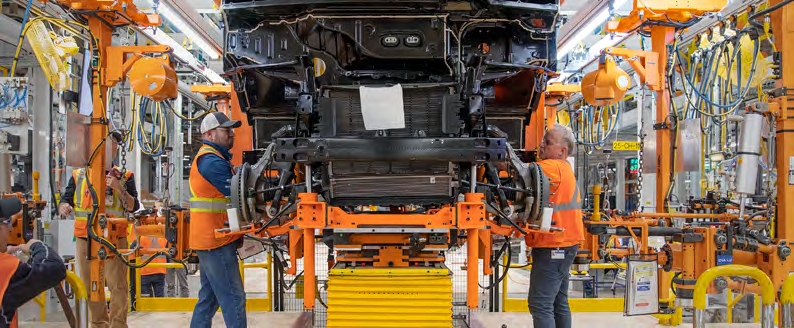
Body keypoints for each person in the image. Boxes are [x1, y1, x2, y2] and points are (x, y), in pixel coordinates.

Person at [58, 131, 140, 328]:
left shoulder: (125, 176)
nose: (111, 149)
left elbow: (133, 206)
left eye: (114, 145)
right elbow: (66, 199)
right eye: (107, 144)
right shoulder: (79, 175)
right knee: (90, 285)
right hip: (85, 237)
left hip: (114, 237)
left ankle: (118, 325)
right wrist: (63, 206)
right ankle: (98, 324)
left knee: (118, 285)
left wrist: (119, 188)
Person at [189, 112, 246, 328]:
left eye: (231, 130)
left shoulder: (216, 158)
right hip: (216, 241)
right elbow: (238, 193)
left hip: (211, 239)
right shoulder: (211, 161)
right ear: (210, 134)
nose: (232, 134)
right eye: (226, 130)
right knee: (234, 299)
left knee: (209, 299)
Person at [525, 124, 585, 328]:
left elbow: (523, 173)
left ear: (562, 151)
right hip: (564, 244)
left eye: (547, 142)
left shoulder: (553, 166)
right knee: (558, 302)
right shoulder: (564, 169)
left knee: (540, 304)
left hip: (554, 245)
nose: (541, 146)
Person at [0, 198, 67, 328]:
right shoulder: (6, 268)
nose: (10, 229)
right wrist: (36, 246)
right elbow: (53, 268)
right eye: (7, 222)